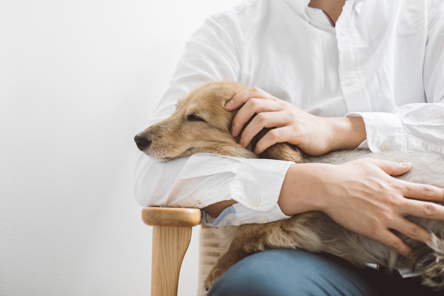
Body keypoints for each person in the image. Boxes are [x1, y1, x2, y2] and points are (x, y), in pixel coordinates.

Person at [134, 0, 444, 295]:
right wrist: (322, 187)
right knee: (254, 287)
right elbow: (153, 176)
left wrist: (339, 130)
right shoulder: (232, 31)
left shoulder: (430, 12)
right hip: (316, 266)